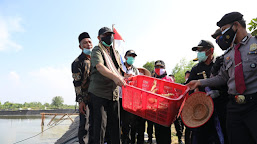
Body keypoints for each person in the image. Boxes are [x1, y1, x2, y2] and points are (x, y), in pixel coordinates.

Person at [187, 12, 257, 144]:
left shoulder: (255, 43)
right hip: (234, 108)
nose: (223, 35)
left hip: (254, 105)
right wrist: (199, 82)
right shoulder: (228, 55)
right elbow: (222, 78)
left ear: (236, 25)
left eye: (224, 30)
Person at [88, 27, 126, 144]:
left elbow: (119, 71)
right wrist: (115, 77)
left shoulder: (115, 53)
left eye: (110, 35)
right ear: (99, 38)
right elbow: (100, 67)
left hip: (113, 94)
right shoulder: (96, 51)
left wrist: (125, 78)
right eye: (105, 35)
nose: (109, 37)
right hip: (99, 94)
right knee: (100, 127)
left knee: (115, 126)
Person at [186, 40, 220, 144]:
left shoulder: (219, 64)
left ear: (211, 51)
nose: (199, 53)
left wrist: (219, 92)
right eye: (197, 51)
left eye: (201, 50)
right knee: (199, 138)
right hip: (201, 111)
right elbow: (188, 87)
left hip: (219, 108)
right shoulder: (196, 68)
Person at [71, 32, 93, 144]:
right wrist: (81, 101)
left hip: (97, 97)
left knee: (95, 126)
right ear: (80, 46)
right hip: (85, 99)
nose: (88, 44)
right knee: (84, 126)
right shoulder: (77, 63)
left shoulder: (96, 59)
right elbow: (77, 83)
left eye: (90, 42)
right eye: (85, 43)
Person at [119, 50, 139, 144]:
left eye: (133, 56)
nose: (132, 58)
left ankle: (126, 141)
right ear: (125, 56)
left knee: (127, 123)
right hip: (118, 97)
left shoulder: (135, 70)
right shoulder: (119, 67)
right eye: (130, 56)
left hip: (129, 100)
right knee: (117, 121)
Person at [153, 60, 174, 144]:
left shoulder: (169, 79)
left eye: (161, 67)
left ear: (164, 68)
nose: (158, 69)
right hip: (155, 110)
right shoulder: (153, 80)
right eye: (156, 67)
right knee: (157, 132)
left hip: (166, 110)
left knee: (166, 131)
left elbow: (172, 94)